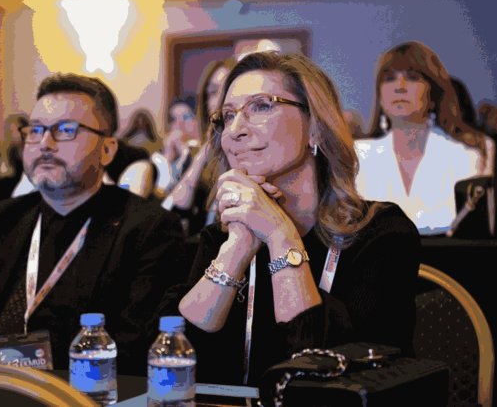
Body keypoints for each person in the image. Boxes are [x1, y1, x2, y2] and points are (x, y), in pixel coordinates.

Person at [162, 51, 420, 386]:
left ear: (315, 128)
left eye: (261, 106)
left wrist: (279, 234)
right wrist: (237, 248)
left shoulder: (382, 233)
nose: (235, 130)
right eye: (227, 116)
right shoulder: (221, 238)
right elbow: (172, 361)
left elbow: (331, 372)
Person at [0, 74, 186, 374]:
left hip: (71, 391)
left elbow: (131, 357)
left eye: (66, 130)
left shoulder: (147, 229)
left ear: (107, 149)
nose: (45, 144)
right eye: (36, 130)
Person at [355, 41, 494, 235]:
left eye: (412, 78)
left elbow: (473, 233)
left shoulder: (470, 153)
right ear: (380, 96)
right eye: (390, 79)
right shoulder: (356, 155)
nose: (399, 87)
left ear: (433, 92)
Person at [163, 58, 235, 236]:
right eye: (213, 92)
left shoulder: (253, 155)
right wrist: (202, 155)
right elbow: (171, 216)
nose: (220, 99)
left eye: (227, 88)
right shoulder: (198, 158)